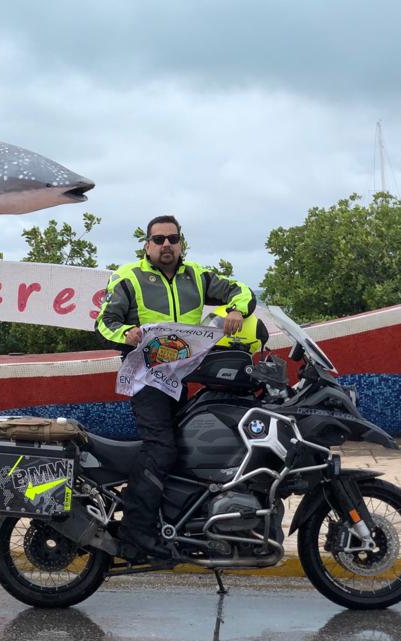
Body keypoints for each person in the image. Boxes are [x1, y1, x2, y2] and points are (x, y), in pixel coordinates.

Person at [96, 215, 257, 561]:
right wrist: (125, 333)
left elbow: (241, 291)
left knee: (187, 449)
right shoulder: (129, 278)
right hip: (149, 379)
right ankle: (135, 534)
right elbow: (103, 321)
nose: (166, 245)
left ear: (181, 243)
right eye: (158, 240)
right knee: (161, 450)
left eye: (172, 239)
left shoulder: (196, 276)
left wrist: (236, 310)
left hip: (182, 379)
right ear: (147, 245)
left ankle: (179, 522)